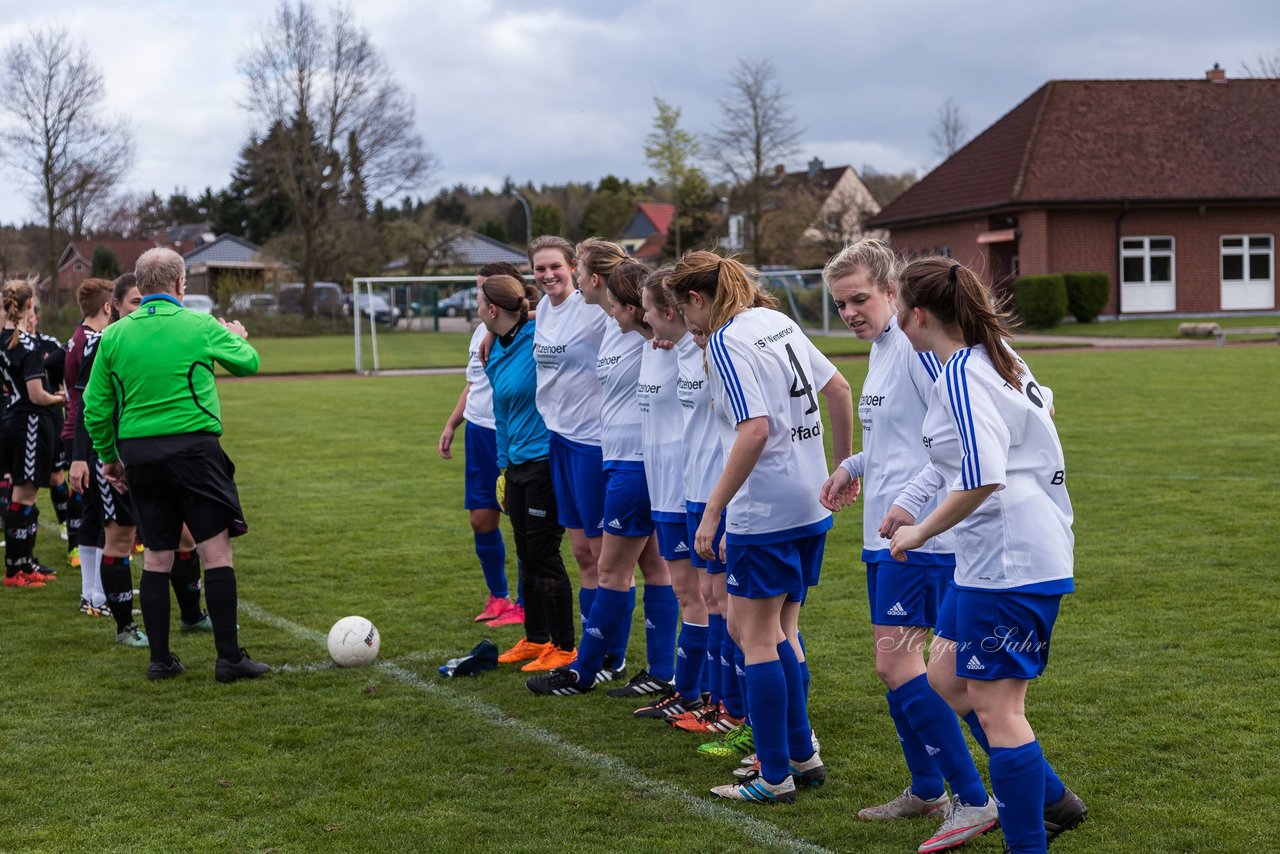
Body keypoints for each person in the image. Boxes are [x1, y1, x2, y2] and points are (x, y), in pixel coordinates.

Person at [889, 257, 1087, 853]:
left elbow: (982, 477)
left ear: (917, 315)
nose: (896, 318)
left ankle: (1029, 840)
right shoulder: (993, 353)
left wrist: (919, 532)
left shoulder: (962, 373)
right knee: (945, 678)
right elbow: (1038, 410)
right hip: (996, 558)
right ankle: (1051, 799)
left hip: (1010, 561)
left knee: (999, 710)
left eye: (897, 306)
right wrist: (911, 499)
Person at [817, 241, 998, 852]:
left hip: (921, 540)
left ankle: (974, 798)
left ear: (894, 292)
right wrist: (854, 464)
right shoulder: (885, 350)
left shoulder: (920, 352)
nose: (850, 312)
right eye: (840, 303)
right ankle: (926, 788)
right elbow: (904, 442)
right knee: (896, 672)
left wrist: (916, 514)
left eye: (860, 299)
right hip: (884, 533)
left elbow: (950, 449)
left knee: (899, 666)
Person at [668, 251, 853, 805]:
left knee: (754, 638)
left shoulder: (726, 340)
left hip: (765, 509)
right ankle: (803, 755)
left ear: (697, 300)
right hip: (810, 501)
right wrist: (841, 467)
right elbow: (839, 389)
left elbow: (753, 431)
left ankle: (774, 776)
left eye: (684, 311)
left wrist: (713, 512)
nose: (687, 324)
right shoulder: (777, 321)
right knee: (782, 632)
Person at [82, 248, 269, 682]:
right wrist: (236, 335)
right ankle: (228, 659)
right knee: (215, 551)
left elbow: (95, 407)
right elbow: (249, 364)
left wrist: (110, 458)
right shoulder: (199, 324)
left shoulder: (115, 335)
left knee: (157, 557)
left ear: (142, 287)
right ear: (180, 284)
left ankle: (160, 661)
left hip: (139, 454)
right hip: (193, 449)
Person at [527, 249, 676, 698]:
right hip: (617, 459)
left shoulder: (648, 332)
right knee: (653, 566)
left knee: (612, 569)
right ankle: (662, 671)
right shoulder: (614, 324)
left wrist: (668, 335)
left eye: (580, 267)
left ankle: (585, 671)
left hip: (634, 463)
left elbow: (677, 329)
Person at [501, 236, 614, 675]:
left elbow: (634, 321)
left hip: (593, 440)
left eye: (556, 267)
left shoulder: (593, 306)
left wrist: (660, 339)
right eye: (539, 270)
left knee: (605, 557)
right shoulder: (544, 309)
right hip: (558, 438)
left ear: (574, 267)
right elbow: (531, 318)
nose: (547, 276)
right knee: (582, 553)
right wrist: (492, 335)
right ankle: (584, 645)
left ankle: (607, 653)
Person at [480, 274, 577, 672]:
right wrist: (503, 468)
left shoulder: (538, 333)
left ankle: (565, 645)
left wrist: (532, 310)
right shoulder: (495, 350)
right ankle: (536, 639)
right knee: (525, 556)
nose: (475, 311)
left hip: (546, 459)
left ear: (491, 309)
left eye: (477, 303)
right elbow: (500, 417)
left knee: (544, 555)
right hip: (517, 465)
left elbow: (563, 315)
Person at [439, 260, 524, 626]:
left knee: (523, 522)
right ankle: (498, 597)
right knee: (481, 518)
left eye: (483, 288)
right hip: (478, 431)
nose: (477, 294)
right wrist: (452, 422)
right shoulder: (480, 332)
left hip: (514, 433)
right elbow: (474, 383)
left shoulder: (529, 328)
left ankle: (525, 602)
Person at [1, 280, 65, 587]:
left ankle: (24, 564)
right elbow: (38, 395)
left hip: (13, 418)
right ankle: (15, 570)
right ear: (30, 306)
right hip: (29, 421)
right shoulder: (26, 345)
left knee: (24, 496)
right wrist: (61, 398)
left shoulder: (4, 340)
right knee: (24, 497)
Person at [65, 278, 115, 615]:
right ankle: (97, 595)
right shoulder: (93, 340)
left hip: (76, 432)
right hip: (86, 434)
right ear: (109, 307)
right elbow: (86, 399)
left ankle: (92, 594)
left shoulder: (77, 336)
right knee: (102, 517)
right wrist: (80, 455)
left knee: (93, 514)